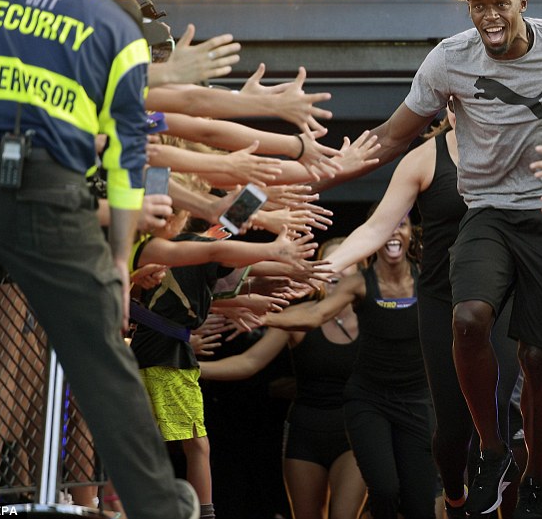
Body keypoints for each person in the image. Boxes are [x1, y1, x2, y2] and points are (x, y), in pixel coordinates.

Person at [337, 0, 542, 518]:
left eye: (499, 4)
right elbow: (395, 133)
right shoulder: (449, 59)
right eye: (477, 5)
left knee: (538, 357)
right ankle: (489, 450)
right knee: (468, 320)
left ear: (521, 4)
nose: (489, 14)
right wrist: (333, 168)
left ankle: (534, 475)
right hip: (488, 210)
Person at [0, 0, 198, 519]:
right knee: (103, 363)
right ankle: (159, 506)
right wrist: (119, 257)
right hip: (47, 202)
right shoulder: (116, 29)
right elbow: (130, 157)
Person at [319, 108, 520, 518]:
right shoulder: (425, 159)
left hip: (499, 300)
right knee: (451, 425)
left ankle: (494, 469)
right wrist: (328, 267)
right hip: (442, 301)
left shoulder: (515, 152)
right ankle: (453, 495)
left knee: (498, 399)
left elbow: (539, 227)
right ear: (449, 107)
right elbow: (377, 228)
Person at [265, 215, 436, 519]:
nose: (394, 232)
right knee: (383, 490)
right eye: (387, 226)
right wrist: (257, 314)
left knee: (418, 505)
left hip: (413, 403)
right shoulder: (352, 288)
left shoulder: (424, 281)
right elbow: (313, 317)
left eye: (402, 225)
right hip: (357, 407)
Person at [198, 238, 367, 519]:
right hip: (305, 433)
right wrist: (192, 368)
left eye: (347, 264)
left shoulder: (374, 318)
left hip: (355, 432)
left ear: (360, 271)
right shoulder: (296, 316)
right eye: (329, 265)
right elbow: (249, 362)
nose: (337, 272)